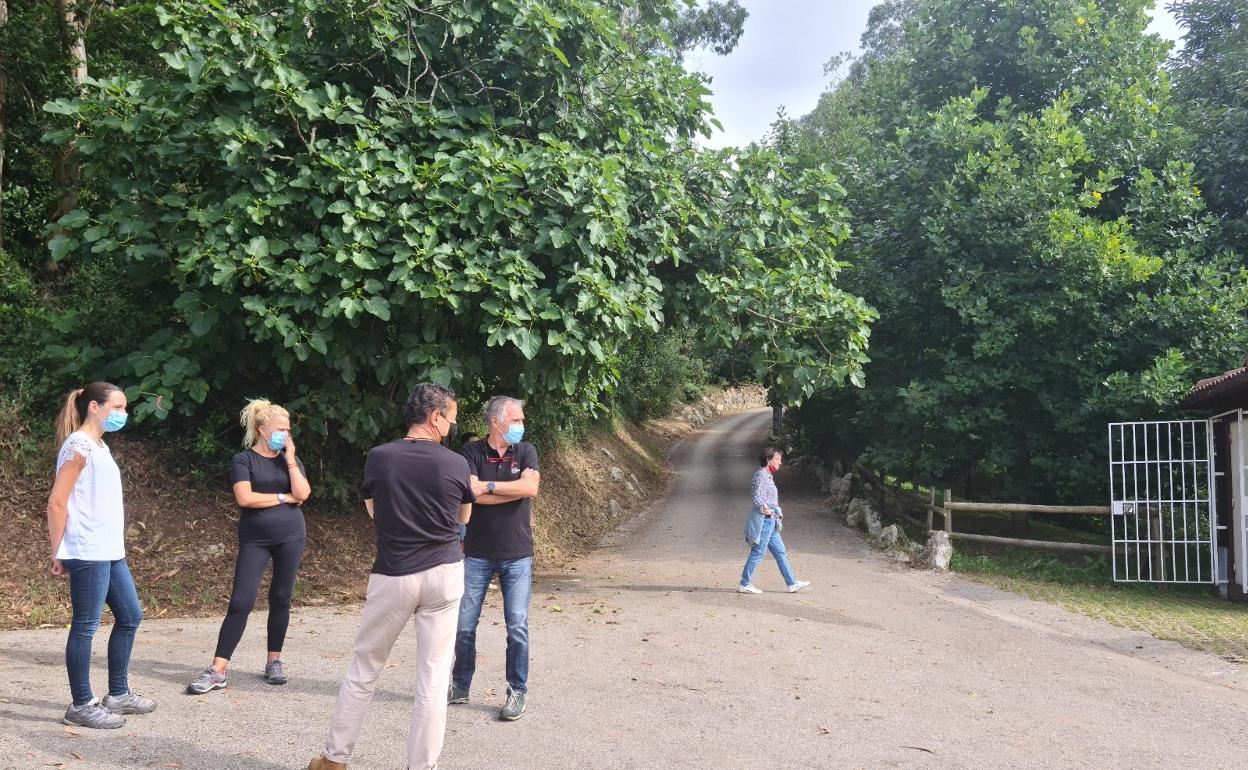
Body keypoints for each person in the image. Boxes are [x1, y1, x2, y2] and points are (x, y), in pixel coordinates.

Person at [307, 383, 473, 770]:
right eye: (451, 419)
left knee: (365, 668)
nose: (452, 426)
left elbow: (373, 511)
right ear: (435, 417)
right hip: (444, 572)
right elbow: (464, 519)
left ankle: (334, 760)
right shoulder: (456, 464)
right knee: (432, 680)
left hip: (395, 572)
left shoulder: (380, 457)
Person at [47, 382, 156, 729]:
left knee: (130, 616)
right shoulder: (79, 445)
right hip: (88, 549)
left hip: (109, 550)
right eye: (119, 407)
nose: (124, 414)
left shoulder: (99, 445)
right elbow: (56, 502)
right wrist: (58, 550)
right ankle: (81, 704)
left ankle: (118, 694)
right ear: (95, 406)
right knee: (85, 627)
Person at [188, 399, 311, 694]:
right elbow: (246, 498)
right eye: (281, 429)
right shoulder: (242, 461)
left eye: (288, 429)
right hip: (255, 538)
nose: (286, 434)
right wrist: (283, 498)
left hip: (292, 535)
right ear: (262, 429)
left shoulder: (289, 459)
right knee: (241, 601)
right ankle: (218, 670)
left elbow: (303, 493)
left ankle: (274, 662)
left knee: (281, 596)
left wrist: (291, 459)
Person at [449, 395, 540, 721]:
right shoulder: (470, 452)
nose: (521, 426)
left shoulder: (526, 450)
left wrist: (487, 486)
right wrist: (507, 487)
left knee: (517, 626)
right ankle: (460, 684)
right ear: (496, 421)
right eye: (516, 420)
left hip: (517, 553)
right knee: (463, 626)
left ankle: (517, 691)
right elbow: (468, 493)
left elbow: (530, 489)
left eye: (521, 421)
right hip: (476, 552)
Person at [738, 447, 810, 595]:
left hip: (771, 521)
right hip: (765, 520)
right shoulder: (762, 476)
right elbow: (757, 497)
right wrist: (766, 510)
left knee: (780, 552)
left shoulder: (768, 476)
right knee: (758, 552)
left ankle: (792, 583)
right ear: (768, 459)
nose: (780, 462)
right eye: (777, 459)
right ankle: (745, 584)